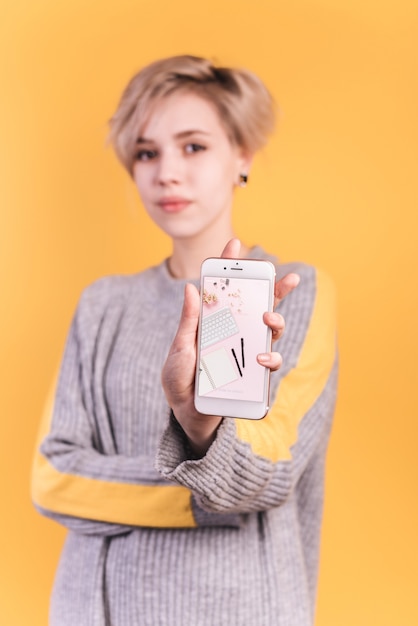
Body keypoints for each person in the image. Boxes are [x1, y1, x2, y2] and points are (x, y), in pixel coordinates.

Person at [31, 55, 338, 626]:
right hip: (90, 608)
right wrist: (206, 489)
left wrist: (197, 425)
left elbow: (267, 475)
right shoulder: (103, 304)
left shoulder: (294, 292)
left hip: (239, 608)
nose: (166, 172)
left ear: (240, 156)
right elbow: (53, 479)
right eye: (146, 152)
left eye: (193, 146)